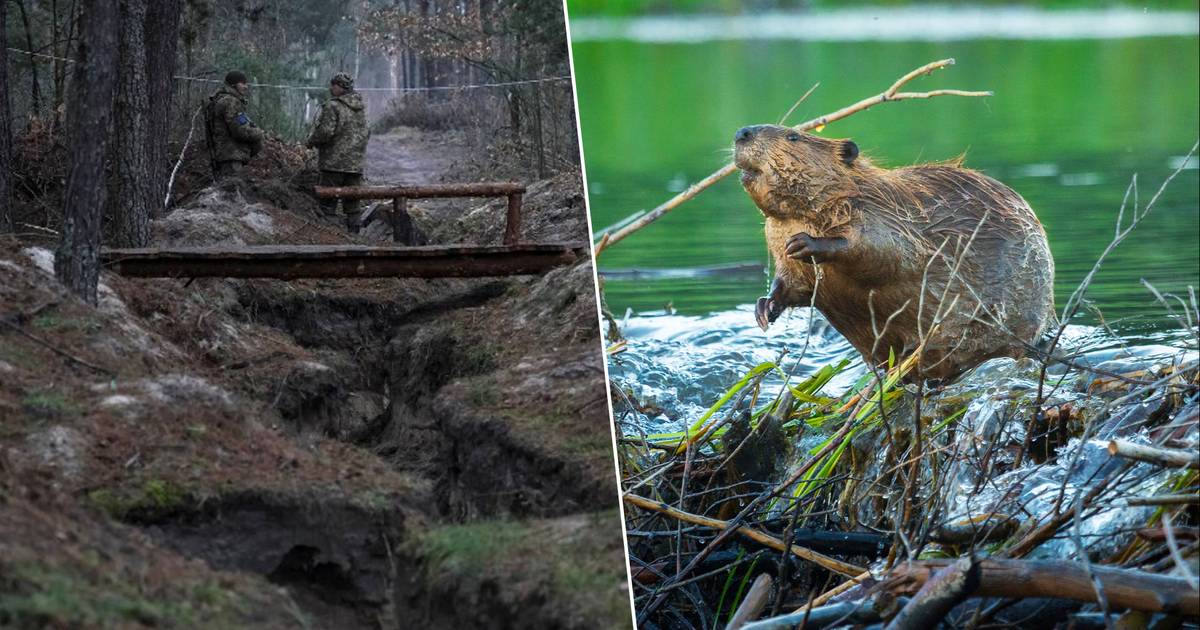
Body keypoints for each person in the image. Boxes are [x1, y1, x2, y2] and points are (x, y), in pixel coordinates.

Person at [307, 72, 370, 233]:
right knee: (353, 204)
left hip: (333, 164)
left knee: (328, 203)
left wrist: (311, 141)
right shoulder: (360, 107)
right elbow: (367, 132)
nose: (330, 88)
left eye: (333, 84)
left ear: (341, 87)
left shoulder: (333, 106)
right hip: (355, 164)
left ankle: (329, 236)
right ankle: (355, 235)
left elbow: (325, 132)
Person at [206, 70, 264, 181]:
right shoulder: (231, 102)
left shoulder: (221, 99)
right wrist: (259, 133)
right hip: (232, 156)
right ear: (233, 84)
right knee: (231, 192)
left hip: (226, 155)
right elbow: (240, 131)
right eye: (242, 83)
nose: (246, 87)